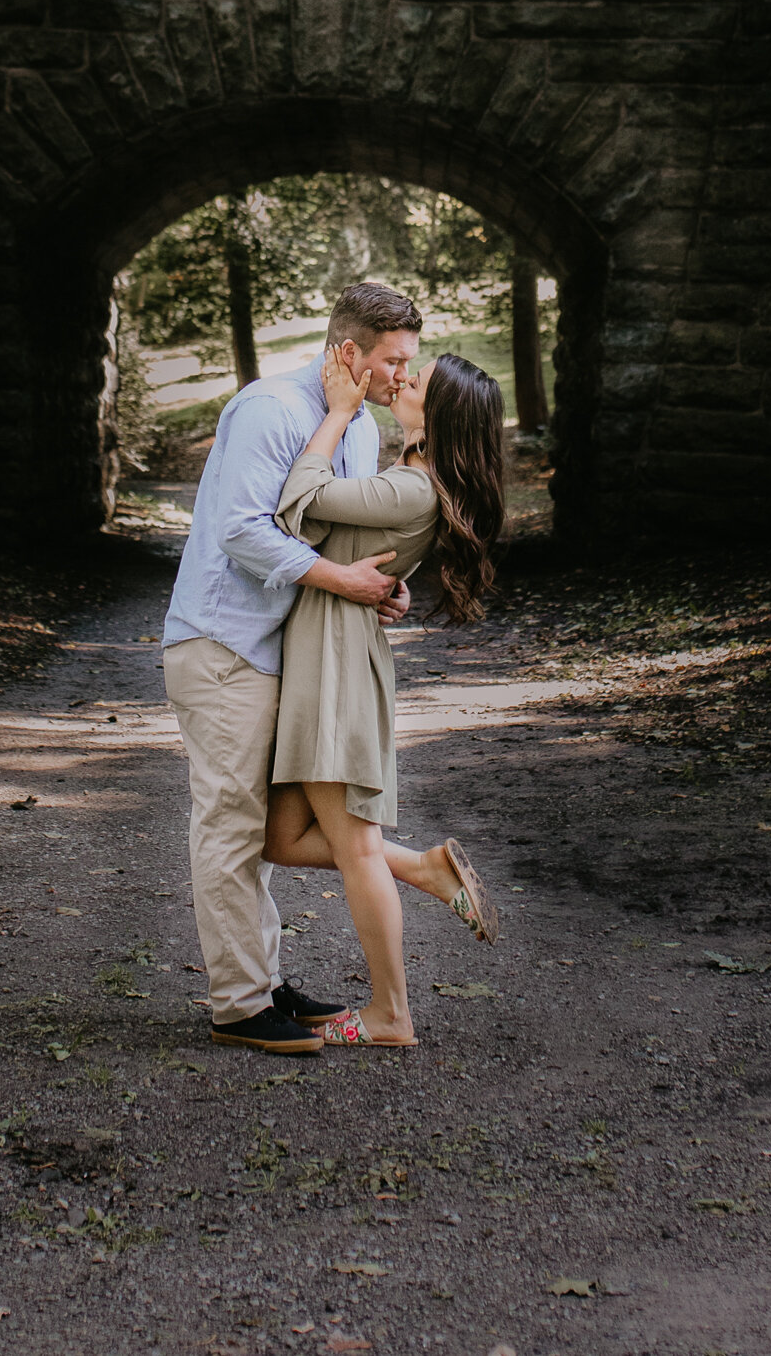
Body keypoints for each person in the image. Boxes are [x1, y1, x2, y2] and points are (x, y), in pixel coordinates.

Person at [162, 280, 423, 1056]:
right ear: (349, 352)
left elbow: (333, 529)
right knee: (229, 823)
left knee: (260, 829)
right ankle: (237, 1003)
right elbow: (244, 529)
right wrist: (339, 580)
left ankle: (261, 981)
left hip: (283, 653)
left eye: (408, 362)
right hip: (223, 642)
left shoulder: (355, 428)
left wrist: (383, 588)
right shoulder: (268, 409)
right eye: (392, 361)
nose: (402, 377)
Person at [263, 347, 507, 1048]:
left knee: (358, 850)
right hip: (325, 651)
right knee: (280, 837)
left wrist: (339, 411)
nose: (400, 377)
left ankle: (390, 1015)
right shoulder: (408, 480)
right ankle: (428, 868)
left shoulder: (410, 487)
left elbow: (297, 501)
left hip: (334, 668)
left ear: (439, 414)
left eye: (416, 379)